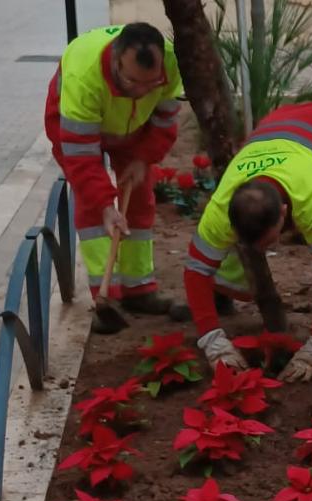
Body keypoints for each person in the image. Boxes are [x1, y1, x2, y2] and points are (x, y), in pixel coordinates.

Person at [184, 102, 312, 382]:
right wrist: (212, 340)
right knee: (215, 251)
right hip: (277, 123)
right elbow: (196, 270)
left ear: (285, 212)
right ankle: (226, 293)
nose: (266, 251)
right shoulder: (220, 207)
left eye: (270, 241)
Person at [44, 22, 186, 333]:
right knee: (94, 206)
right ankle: (104, 295)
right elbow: (81, 158)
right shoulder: (85, 77)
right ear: (116, 61)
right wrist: (106, 205)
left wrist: (143, 157)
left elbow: (165, 117)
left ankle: (139, 289)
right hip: (76, 126)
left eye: (150, 84)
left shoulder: (172, 62)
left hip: (135, 128)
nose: (140, 90)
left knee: (139, 198)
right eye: (132, 81)